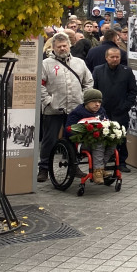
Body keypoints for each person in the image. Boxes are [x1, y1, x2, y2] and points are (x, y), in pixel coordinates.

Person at [38, 33, 93, 183]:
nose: (62, 48)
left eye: (65, 46)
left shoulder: (79, 63)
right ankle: (43, 168)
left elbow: (88, 82)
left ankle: (74, 167)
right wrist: (48, 102)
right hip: (53, 109)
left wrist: (84, 99)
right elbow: (40, 86)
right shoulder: (46, 64)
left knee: (75, 139)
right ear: (53, 48)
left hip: (75, 110)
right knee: (49, 139)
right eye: (59, 47)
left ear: (69, 46)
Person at [92, 47, 137, 171]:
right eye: (112, 57)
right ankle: (102, 163)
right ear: (106, 58)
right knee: (102, 137)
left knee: (121, 137)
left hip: (120, 110)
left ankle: (121, 162)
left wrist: (126, 106)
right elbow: (93, 90)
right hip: (102, 111)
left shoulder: (127, 71)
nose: (115, 59)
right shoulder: (98, 70)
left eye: (117, 57)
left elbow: (132, 91)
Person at [65, 89, 111, 184]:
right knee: (99, 143)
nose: (97, 104)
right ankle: (97, 171)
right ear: (87, 102)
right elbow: (68, 130)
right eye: (94, 102)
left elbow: (107, 122)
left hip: (98, 140)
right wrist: (85, 134)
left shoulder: (101, 111)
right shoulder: (77, 113)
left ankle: (99, 170)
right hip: (82, 143)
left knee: (112, 144)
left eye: (99, 102)